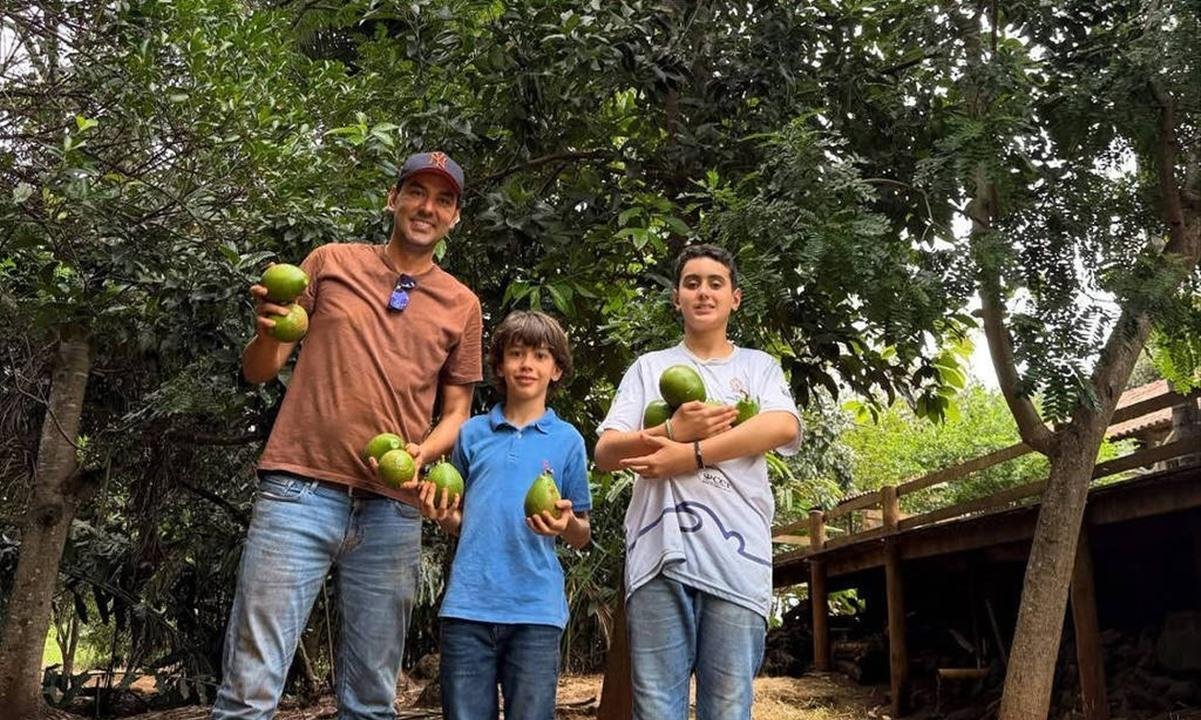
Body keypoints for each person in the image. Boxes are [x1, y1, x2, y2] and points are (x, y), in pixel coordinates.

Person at [211, 151, 483, 720]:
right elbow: (260, 369)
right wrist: (267, 331)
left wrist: (424, 451)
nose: (427, 207)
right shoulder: (329, 262)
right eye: (416, 192)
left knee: (372, 702)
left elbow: (457, 412)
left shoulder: (462, 305)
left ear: (455, 217)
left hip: (393, 508)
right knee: (248, 694)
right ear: (393, 199)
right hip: (298, 491)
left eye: (443, 200)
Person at [595, 244, 802, 720]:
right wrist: (671, 430)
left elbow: (783, 425)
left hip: (738, 556)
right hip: (658, 556)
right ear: (677, 298)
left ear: (735, 298)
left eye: (715, 283)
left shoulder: (758, 367)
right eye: (691, 283)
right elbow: (605, 452)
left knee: (728, 707)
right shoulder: (649, 368)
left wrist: (690, 455)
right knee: (655, 707)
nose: (703, 292)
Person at [418, 310, 592, 720]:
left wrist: (566, 524)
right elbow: (463, 521)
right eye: (516, 354)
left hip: (536, 611)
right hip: (468, 607)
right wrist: (441, 515)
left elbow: (582, 533)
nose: (527, 364)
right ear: (499, 365)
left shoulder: (568, 440)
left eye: (540, 356)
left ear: (557, 370)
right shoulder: (471, 434)